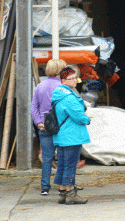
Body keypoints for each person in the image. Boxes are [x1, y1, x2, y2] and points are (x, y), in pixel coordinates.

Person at [52, 66, 91, 205]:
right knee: (70, 165)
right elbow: (78, 116)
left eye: (76, 78)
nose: (75, 80)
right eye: (72, 78)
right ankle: (70, 193)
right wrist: (87, 119)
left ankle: (62, 192)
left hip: (62, 135)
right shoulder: (68, 97)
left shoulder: (58, 94)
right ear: (63, 80)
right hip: (72, 135)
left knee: (62, 164)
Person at [30, 58, 68, 195]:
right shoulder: (63, 88)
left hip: (44, 125)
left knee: (47, 158)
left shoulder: (40, 86)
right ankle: (64, 185)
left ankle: (45, 186)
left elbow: (34, 106)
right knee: (63, 156)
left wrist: (38, 122)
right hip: (60, 125)